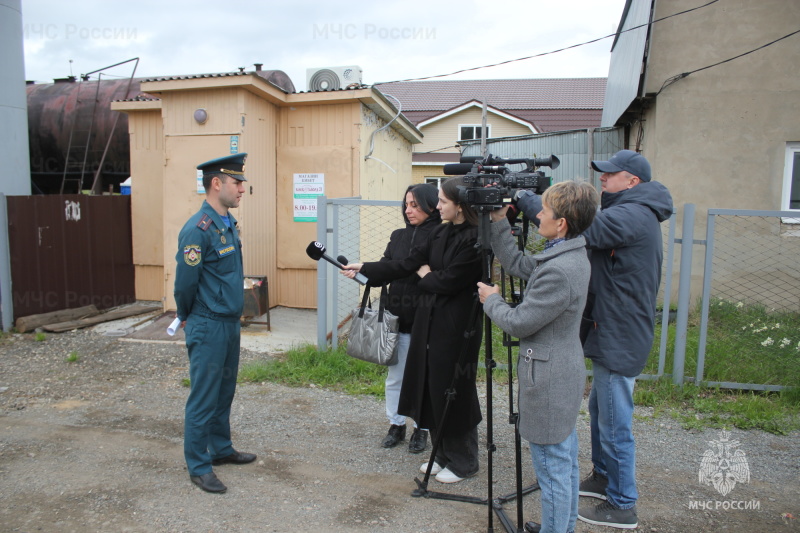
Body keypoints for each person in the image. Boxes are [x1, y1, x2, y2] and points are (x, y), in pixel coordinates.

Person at [516, 149, 673, 529]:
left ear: (631, 181)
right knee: (602, 413)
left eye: (610, 174)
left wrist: (530, 200)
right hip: (612, 328)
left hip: (621, 333)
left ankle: (622, 504)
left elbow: (586, 227)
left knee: (615, 422)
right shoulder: (632, 208)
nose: (603, 179)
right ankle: (603, 479)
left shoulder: (634, 213)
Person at [342, 176, 483, 483]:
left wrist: (427, 275)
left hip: (457, 327)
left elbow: (445, 282)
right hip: (429, 322)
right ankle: (441, 455)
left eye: (443, 201)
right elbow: (407, 264)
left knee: (454, 391)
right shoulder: (442, 234)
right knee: (432, 387)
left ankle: (464, 462)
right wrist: (363, 268)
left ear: (460, 207)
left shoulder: (474, 239)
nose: (438, 206)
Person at [478, 180, 599, 533]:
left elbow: (519, 323)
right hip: (561, 371)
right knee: (565, 462)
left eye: (544, 211)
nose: (538, 214)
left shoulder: (560, 270)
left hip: (549, 380)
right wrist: (500, 221)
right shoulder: (568, 253)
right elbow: (519, 263)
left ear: (561, 223)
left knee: (553, 470)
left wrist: (492, 300)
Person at [174, 153, 257, 494]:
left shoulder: (226, 224)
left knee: (224, 392)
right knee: (204, 397)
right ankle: (198, 464)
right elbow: (185, 285)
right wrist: (187, 315)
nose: (242, 188)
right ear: (217, 183)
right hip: (208, 324)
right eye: (237, 182)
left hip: (228, 323)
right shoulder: (198, 229)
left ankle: (220, 449)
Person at [377, 183, 441, 453]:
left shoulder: (441, 235)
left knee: (425, 378)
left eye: (415, 205)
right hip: (399, 317)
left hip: (427, 320)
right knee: (396, 376)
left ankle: (422, 428)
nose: (409, 210)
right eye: (406, 204)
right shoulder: (398, 236)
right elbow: (387, 266)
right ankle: (396, 423)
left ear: (430, 205)